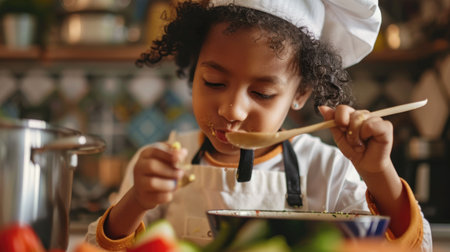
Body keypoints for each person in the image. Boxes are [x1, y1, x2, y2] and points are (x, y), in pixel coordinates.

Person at [86, 0, 432, 251]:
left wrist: (378, 174)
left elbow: (413, 249)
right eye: (214, 82)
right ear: (193, 73)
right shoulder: (158, 164)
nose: (232, 109)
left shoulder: (329, 171)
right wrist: (136, 201)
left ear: (301, 94)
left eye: (262, 93)